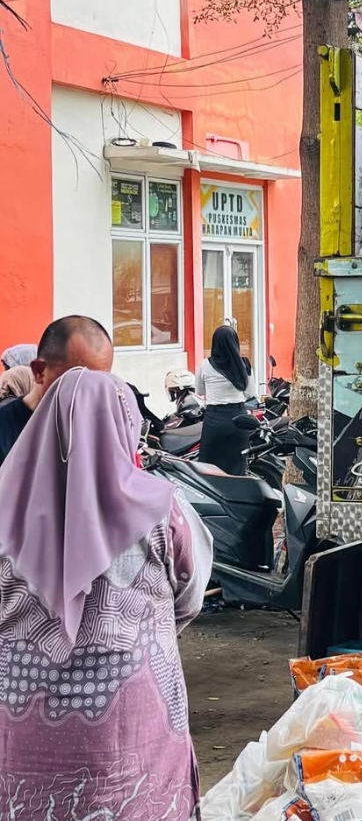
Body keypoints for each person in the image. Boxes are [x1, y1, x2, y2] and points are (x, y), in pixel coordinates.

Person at [0, 368, 212, 818]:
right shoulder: (161, 506)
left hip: (21, 719)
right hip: (135, 725)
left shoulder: (4, 506)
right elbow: (191, 594)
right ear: (125, 424)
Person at [0, 315, 113, 465]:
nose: (91, 394)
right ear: (39, 371)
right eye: (77, 382)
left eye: (101, 383)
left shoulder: (101, 430)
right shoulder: (4, 432)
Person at [196, 324, 256, 474]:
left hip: (215, 420)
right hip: (239, 421)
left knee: (209, 467)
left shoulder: (204, 365)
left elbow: (200, 391)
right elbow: (250, 393)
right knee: (237, 466)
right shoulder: (244, 364)